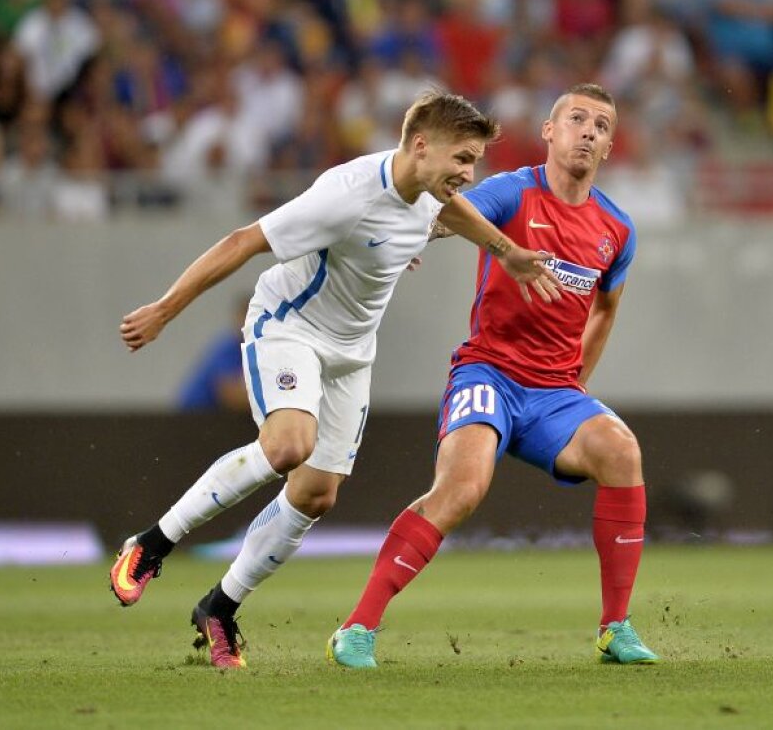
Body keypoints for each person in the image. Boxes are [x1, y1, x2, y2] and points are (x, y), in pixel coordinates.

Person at [108, 91, 560, 669]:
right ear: (420, 146)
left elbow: (446, 214)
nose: (469, 175)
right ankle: (150, 545)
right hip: (289, 327)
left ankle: (219, 607)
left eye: (474, 163)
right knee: (288, 445)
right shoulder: (345, 195)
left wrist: (507, 251)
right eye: (462, 160)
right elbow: (242, 242)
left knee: (316, 494)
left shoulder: (428, 191)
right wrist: (165, 310)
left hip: (351, 353)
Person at [327, 83, 659, 668]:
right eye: (576, 118)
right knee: (461, 490)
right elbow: (449, 211)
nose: (588, 131)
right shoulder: (513, 191)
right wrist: (410, 235)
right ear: (549, 132)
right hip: (489, 373)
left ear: (609, 147)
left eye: (602, 126)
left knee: (621, 452)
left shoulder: (617, 229)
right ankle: (356, 628)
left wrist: (577, 377)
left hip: (555, 392)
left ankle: (615, 628)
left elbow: (606, 307)